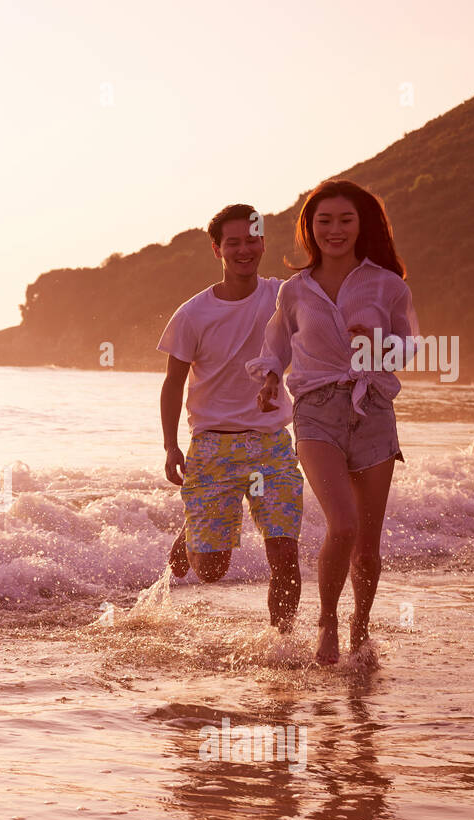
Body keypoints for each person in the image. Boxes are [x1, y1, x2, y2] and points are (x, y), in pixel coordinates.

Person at [248, 179, 418, 665]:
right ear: (309, 228)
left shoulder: (388, 284)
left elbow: (410, 347)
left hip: (374, 412)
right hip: (316, 411)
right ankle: (327, 621)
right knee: (340, 525)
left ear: (361, 225)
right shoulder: (293, 291)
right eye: (323, 221)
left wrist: (379, 341)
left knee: (367, 545)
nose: (334, 230)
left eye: (345, 220)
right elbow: (276, 346)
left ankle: (360, 627)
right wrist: (268, 380)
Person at [158, 203, 302, 631]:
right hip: (212, 445)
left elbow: (328, 297)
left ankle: (283, 643)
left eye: (252, 240)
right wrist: (170, 445)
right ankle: (191, 536)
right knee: (212, 569)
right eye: (233, 242)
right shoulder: (192, 314)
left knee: (284, 552)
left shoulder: (283, 295)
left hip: (272, 443)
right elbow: (172, 384)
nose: (244, 250)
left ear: (263, 242)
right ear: (217, 249)